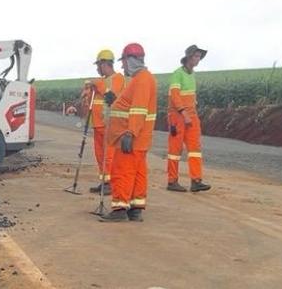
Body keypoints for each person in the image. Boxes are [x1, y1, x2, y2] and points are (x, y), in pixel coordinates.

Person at [100, 43, 157, 222]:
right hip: (138, 137)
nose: (122, 66)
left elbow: (138, 110)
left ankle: (119, 208)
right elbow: (132, 106)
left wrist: (130, 133)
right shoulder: (143, 79)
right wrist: (116, 101)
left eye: (123, 61)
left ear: (131, 60)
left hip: (131, 136)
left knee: (122, 171)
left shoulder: (142, 80)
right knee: (138, 171)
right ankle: (135, 207)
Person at [167, 44, 211, 192]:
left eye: (199, 57)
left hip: (191, 115)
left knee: (195, 149)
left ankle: (196, 180)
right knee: (175, 149)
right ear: (189, 57)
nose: (198, 59)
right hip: (178, 116)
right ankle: (172, 181)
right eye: (196, 56)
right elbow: (175, 96)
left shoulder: (192, 74)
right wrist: (184, 113)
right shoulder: (177, 74)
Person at [88, 49, 127, 195]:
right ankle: (104, 181)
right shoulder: (102, 81)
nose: (97, 68)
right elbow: (96, 102)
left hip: (109, 124)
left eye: (98, 65)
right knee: (100, 155)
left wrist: (99, 85)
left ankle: (110, 183)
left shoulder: (118, 78)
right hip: (98, 124)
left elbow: (112, 97)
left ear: (104, 63)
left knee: (109, 155)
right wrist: (88, 92)